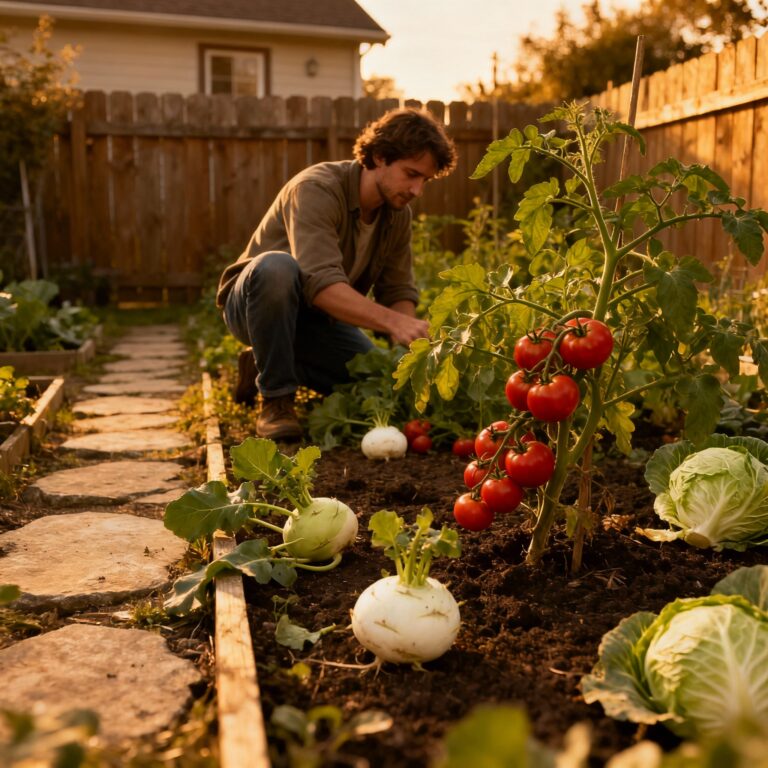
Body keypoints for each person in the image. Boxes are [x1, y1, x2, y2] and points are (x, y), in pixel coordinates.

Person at [216, 107, 457, 440]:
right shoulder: (316, 189)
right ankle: (275, 401)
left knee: (373, 379)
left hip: (319, 320)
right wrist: (394, 323)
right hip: (253, 304)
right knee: (277, 266)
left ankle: (263, 361)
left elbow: (397, 290)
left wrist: (410, 361)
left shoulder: (397, 215)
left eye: (425, 180)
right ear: (378, 157)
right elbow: (321, 285)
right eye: (411, 174)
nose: (417, 190)